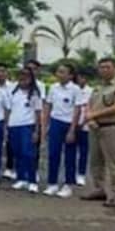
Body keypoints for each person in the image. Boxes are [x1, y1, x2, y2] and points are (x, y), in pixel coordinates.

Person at [80, 58, 115, 208]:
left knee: (114, 164)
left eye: (107, 67)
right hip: (95, 127)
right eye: (101, 67)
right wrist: (90, 118)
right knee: (96, 162)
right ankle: (99, 189)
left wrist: (94, 115)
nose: (104, 70)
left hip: (112, 128)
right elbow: (89, 105)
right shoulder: (98, 87)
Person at [43, 63, 84, 198]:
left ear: (70, 75)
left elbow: (77, 110)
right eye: (58, 72)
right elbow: (48, 106)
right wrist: (46, 124)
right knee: (53, 154)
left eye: (62, 72)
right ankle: (52, 183)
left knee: (69, 155)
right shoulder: (53, 88)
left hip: (69, 124)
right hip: (55, 123)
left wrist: (72, 129)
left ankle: (68, 185)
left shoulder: (75, 89)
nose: (59, 74)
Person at [8, 68, 43, 193]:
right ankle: (21, 178)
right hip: (13, 126)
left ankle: (32, 180)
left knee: (28, 154)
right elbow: (8, 110)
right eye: (21, 77)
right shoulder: (13, 92)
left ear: (31, 78)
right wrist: (7, 127)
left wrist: (37, 131)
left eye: (26, 77)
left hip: (28, 126)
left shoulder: (34, 94)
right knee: (17, 153)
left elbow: (38, 114)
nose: (23, 79)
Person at [75, 68, 94, 186]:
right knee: (70, 150)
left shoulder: (92, 92)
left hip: (85, 125)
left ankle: (81, 174)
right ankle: (71, 173)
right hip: (71, 123)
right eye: (78, 78)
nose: (80, 80)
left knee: (83, 151)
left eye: (82, 78)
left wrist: (83, 123)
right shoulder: (73, 90)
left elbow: (91, 109)